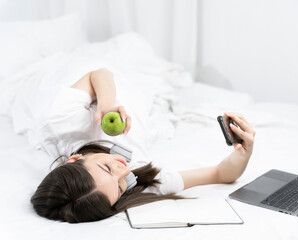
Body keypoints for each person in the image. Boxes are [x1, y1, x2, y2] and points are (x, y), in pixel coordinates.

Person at [30, 68, 256, 223]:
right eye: (119, 187)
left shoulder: (62, 124)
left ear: (75, 159)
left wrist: (107, 106)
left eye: (107, 168)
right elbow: (220, 173)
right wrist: (244, 152)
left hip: (117, 83)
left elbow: (98, 73)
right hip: (148, 104)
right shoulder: (141, 183)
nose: (125, 170)